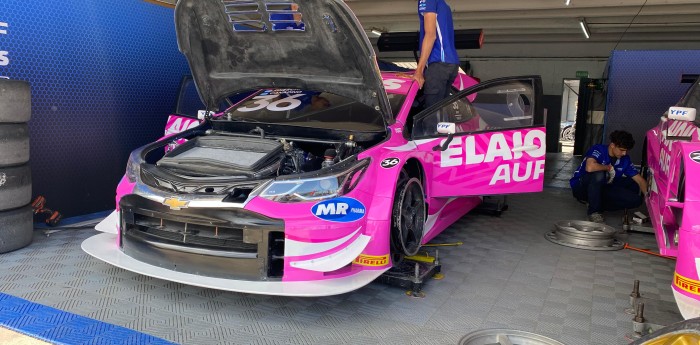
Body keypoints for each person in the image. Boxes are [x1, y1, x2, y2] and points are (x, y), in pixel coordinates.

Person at [570, 130, 648, 223]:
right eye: (622, 150)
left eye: (626, 150)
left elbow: (640, 180)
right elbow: (589, 167)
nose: (624, 153)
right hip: (582, 187)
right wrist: (607, 168)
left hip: (604, 187)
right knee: (599, 174)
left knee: (636, 196)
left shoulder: (625, 159)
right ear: (612, 145)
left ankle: (596, 202)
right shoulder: (598, 149)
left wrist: (649, 199)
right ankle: (594, 212)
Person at [413, 0, 460, 108]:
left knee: (431, 115)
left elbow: (430, 35)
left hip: (439, 63)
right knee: (441, 113)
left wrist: (419, 71)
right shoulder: (443, 4)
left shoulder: (427, 0)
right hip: (450, 64)